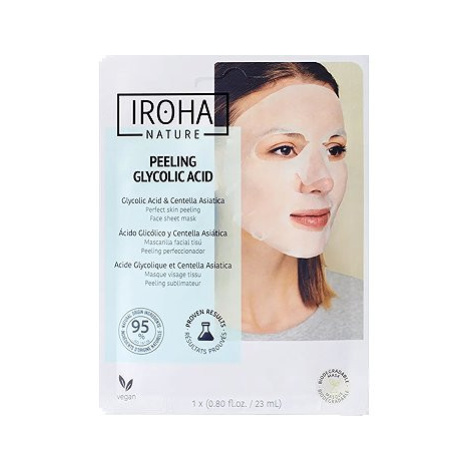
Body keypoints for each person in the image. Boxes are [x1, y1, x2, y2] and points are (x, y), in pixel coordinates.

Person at [214, 62, 363, 341]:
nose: (323, 181)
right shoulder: (158, 318)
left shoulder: (366, 314)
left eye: (334, 149)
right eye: (284, 149)